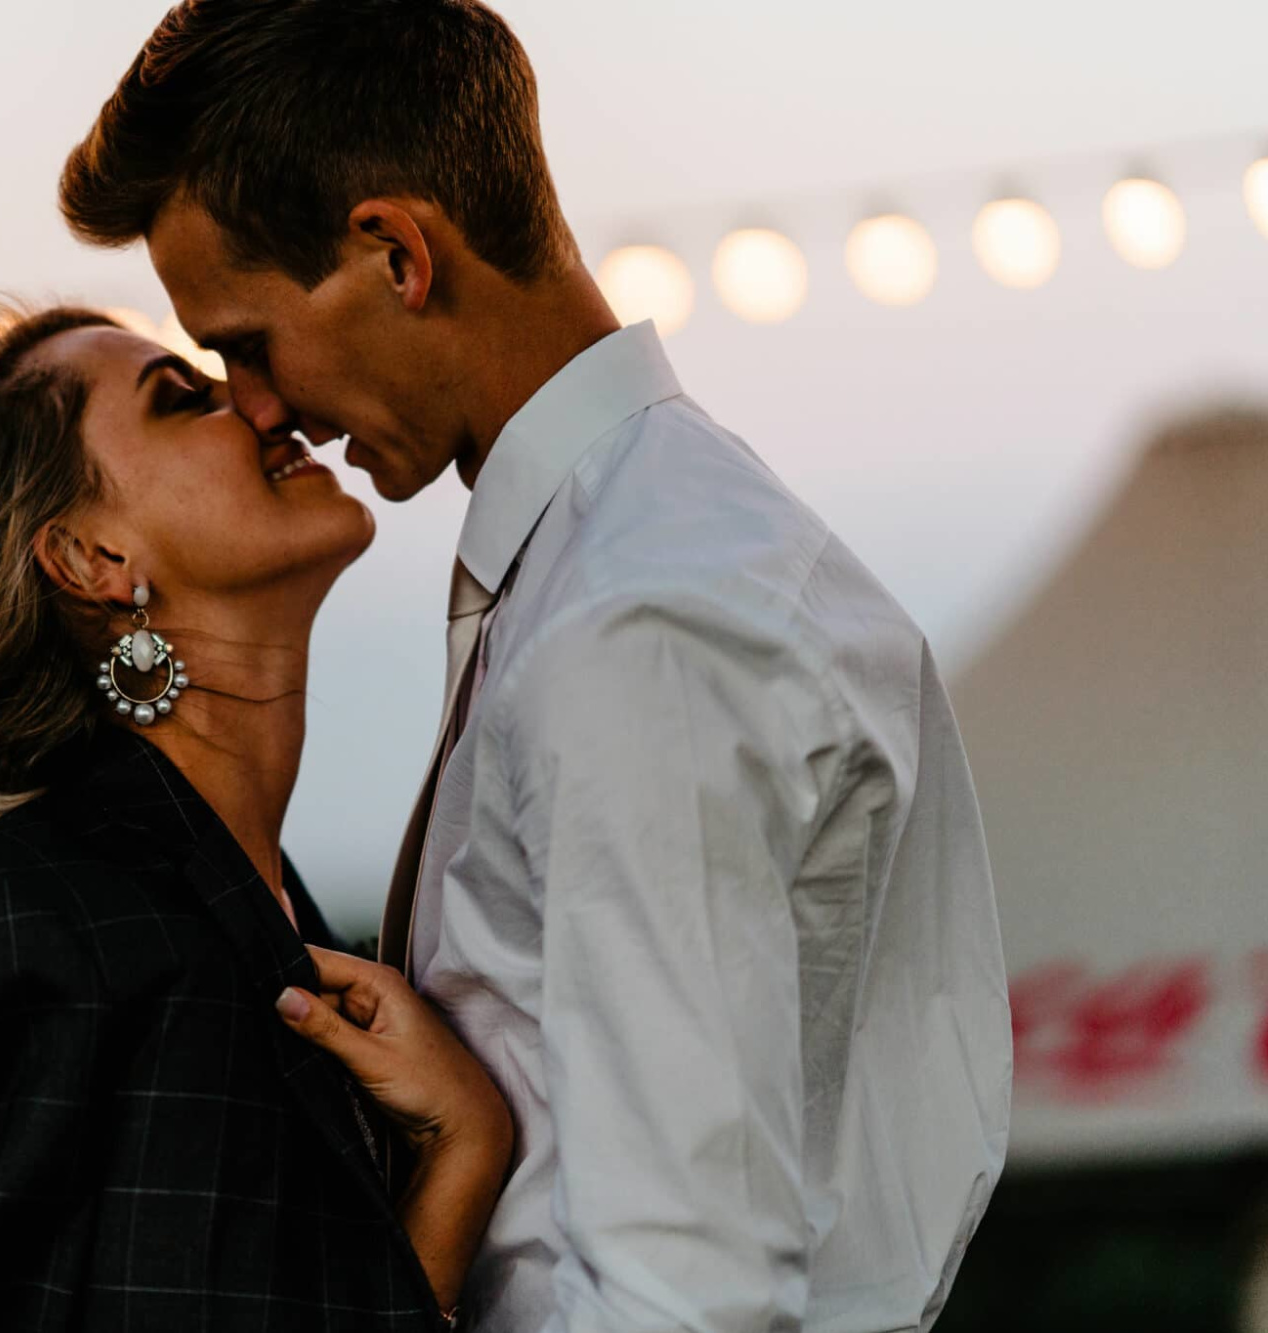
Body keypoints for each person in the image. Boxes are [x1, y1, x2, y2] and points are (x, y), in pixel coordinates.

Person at [59, 2, 1015, 1330]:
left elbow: (684, 1287)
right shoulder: (625, 553)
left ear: (395, 252)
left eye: (247, 343)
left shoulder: (645, 619)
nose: (257, 409)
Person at [0, 303, 513, 1331]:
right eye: (186, 399)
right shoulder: (6, 930)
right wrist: (460, 1159)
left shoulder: (282, 938)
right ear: (91, 559)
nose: (265, 406)